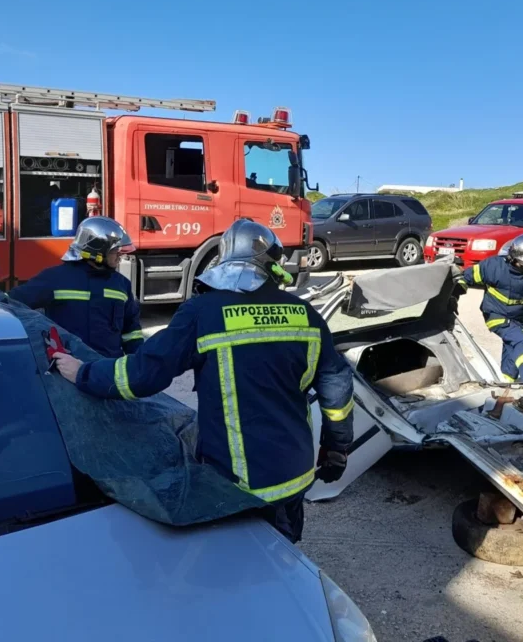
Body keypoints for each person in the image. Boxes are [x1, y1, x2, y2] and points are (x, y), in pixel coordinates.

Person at [51, 219, 353, 544]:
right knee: (283, 560)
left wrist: (82, 372)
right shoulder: (306, 315)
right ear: (272, 266)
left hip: (237, 488)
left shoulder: (202, 312)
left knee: (241, 562)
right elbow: (337, 387)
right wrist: (337, 447)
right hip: (295, 476)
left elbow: (142, 374)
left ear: (223, 262)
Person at [10, 216, 145, 358]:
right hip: (66, 366)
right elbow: (11, 303)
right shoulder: (55, 278)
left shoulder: (122, 284)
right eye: (114, 251)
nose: (119, 256)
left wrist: (139, 362)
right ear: (97, 252)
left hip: (107, 367)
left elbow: (132, 331)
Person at [455, 234, 523, 382]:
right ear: (513, 258)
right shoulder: (494, 266)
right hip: (496, 315)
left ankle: (507, 382)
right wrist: (453, 296)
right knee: (522, 345)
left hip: (521, 319)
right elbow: (466, 278)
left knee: (512, 355)